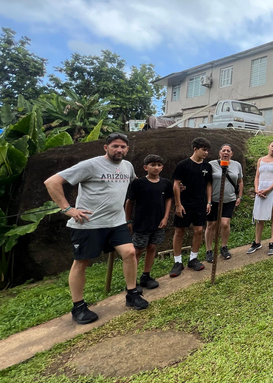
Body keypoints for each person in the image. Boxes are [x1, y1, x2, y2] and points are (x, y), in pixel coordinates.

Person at [44, 132, 148, 324]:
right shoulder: (91, 165)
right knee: (81, 263)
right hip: (88, 224)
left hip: (117, 222)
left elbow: (135, 181)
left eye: (123, 147)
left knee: (130, 253)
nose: (119, 149)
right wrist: (67, 209)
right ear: (106, 147)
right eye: (115, 146)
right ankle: (78, 307)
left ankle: (132, 294)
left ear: (127, 149)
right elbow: (52, 182)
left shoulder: (127, 166)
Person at [124, 154, 173, 291]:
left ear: (162, 167)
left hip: (158, 222)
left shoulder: (165, 183)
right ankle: (131, 280)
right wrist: (128, 220)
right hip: (141, 222)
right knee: (138, 250)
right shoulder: (138, 183)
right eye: (153, 165)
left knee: (152, 248)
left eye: (158, 165)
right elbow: (129, 202)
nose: (156, 167)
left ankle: (146, 275)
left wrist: (165, 217)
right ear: (146, 167)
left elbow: (169, 199)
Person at [170, 137, 212, 277]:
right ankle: (177, 261)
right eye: (203, 150)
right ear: (195, 149)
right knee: (179, 231)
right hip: (184, 203)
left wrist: (209, 202)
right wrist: (177, 204)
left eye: (207, 150)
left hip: (200, 203)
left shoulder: (207, 167)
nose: (206, 153)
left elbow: (208, 185)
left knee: (199, 230)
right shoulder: (183, 165)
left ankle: (193, 258)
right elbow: (176, 184)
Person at [205, 144, 243, 263]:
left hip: (229, 199)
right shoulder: (211, 164)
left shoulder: (237, 165)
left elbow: (240, 181)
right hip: (214, 200)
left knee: (225, 223)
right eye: (223, 150)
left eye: (228, 151)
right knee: (211, 224)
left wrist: (240, 196)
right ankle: (209, 250)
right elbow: (208, 183)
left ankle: (224, 247)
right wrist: (209, 201)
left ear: (232, 153)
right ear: (219, 153)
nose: (226, 152)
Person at [248, 140, 273, 256]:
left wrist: (268, 189)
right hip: (261, 191)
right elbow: (257, 176)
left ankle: (272, 242)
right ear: (268, 146)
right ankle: (257, 241)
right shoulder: (261, 160)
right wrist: (256, 189)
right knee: (259, 217)